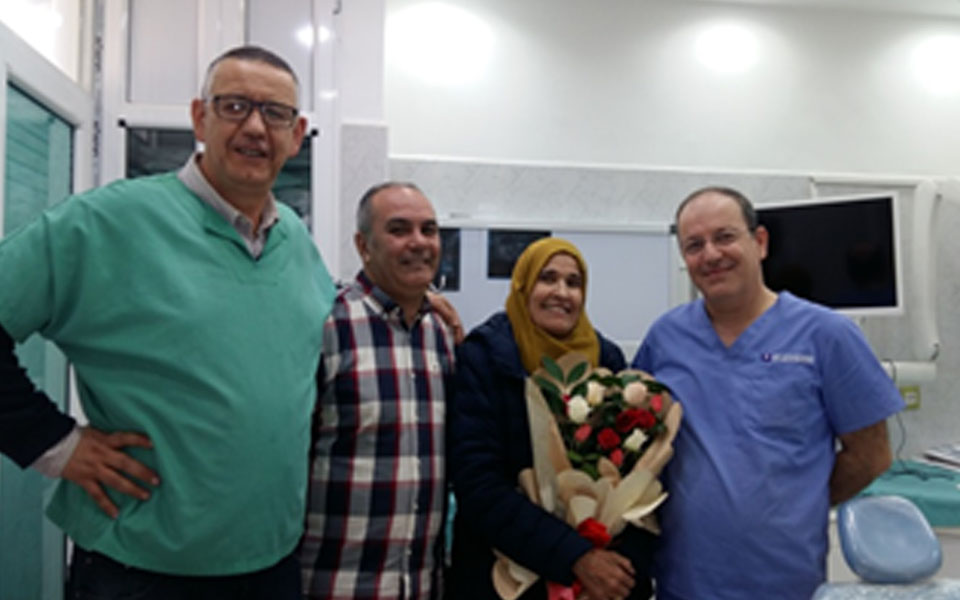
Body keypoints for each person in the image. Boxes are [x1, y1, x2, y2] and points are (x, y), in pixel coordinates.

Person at [0, 46, 335, 599]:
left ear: (296, 134)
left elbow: (313, 329)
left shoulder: (295, 240)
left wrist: (414, 298)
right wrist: (52, 443)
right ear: (200, 118)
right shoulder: (107, 222)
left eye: (275, 113)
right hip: (141, 571)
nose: (256, 127)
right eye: (234, 106)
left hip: (270, 564)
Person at [633, 186, 905, 600]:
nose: (710, 255)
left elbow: (871, 455)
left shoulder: (827, 335)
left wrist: (798, 503)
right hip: (684, 581)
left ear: (759, 242)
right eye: (694, 245)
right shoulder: (666, 338)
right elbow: (640, 444)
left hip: (783, 583)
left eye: (725, 237)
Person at [450, 237, 657, 600]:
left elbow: (636, 478)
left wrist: (618, 565)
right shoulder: (485, 357)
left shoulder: (605, 359)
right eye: (547, 278)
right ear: (523, 286)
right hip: (503, 579)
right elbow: (479, 487)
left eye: (573, 283)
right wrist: (575, 557)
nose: (561, 292)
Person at [298, 182, 456, 600]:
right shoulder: (326, 327)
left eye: (429, 229)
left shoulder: (442, 335)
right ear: (363, 246)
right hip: (336, 585)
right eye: (399, 229)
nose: (419, 242)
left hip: (423, 585)